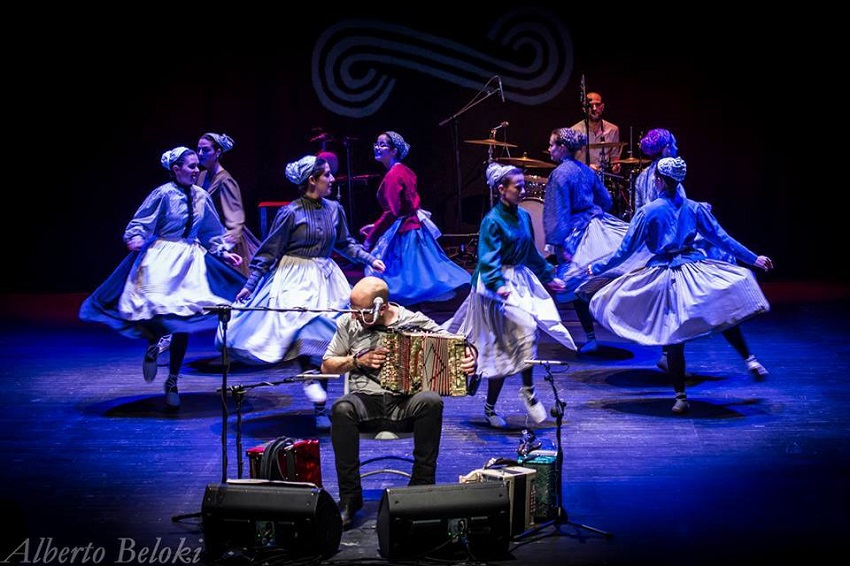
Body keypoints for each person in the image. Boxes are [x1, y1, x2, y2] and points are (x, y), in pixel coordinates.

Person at [583, 157, 774, 414]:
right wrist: (754, 259)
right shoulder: (694, 208)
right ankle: (749, 359)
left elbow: (624, 252)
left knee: (673, 336)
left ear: (659, 181)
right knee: (721, 310)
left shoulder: (649, 211)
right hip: (694, 270)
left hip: (665, 274)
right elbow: (722, 239)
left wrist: (597, 267)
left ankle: (681, 396)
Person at [218, 155, 386, 430]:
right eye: (327, 176)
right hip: (295, 277)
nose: (332, 180)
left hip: (327, 276)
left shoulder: (334, 209)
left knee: (333, 336)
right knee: (301, 330)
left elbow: (345, 243)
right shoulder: (290, 212)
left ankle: (318, 386)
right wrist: (250, 286)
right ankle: (313, 389)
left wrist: (369, 259)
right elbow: (269, 252)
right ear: (312, 179)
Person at [78, 147, 245, 408]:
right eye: (190, 166)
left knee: (184, 320)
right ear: (175, 169)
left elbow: (212, 232)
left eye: (196, 166)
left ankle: (173, 380)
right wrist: (135, 237)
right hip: (161, 259)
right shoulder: (163, 194)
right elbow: (141, 221)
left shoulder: (201, 196)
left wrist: (223, 253)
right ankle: (154, 345)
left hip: (190, 263)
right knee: (157, 312)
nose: (195, 171)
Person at [322, 276, 478, 528]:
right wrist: (356, 361)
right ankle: (350, 498)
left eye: (361, 312)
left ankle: (420, 490)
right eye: (352, 309)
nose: (353, 316)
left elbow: (455, 347)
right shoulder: (348, 325)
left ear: (381, 308)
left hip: (404, 403)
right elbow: (326, 365)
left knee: (431, 401)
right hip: (366, 402)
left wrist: (469, 357)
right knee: (341, 408)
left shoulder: (412, 321)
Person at [443, 163, 576, 429]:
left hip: (518, 280)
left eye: (524, 185)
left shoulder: (524, 216)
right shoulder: (492, 221)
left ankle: (527, 391)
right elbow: (487, 259)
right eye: (519, 187)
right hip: (495, 288)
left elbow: (531, 253)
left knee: (525, 335)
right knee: (501, 349)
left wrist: (550, 276)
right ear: (502, 189)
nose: (523, 190)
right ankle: (494, 407)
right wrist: (498, 284)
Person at [632, 129, 768, 379]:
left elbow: (644, 214)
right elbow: (673, 212)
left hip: (660, 252)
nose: (676, 147)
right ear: (665, 148)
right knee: (715, 299)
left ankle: (674, 369)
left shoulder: (643, 178)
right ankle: (746, 357)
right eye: (673, 144)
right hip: (676, 255)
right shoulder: (662, 177)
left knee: (675, 313)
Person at [543, 127, 649, 354]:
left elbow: (557, 211)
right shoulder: (586, 171)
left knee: (575, 283)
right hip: (596, 225)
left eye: (552, 145)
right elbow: (606, 200)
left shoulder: (559, 175)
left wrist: (557, 241)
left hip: (575, 233)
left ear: (562, 148)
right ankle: (619, 326)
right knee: (595, 278)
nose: (549, 149)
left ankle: (591, 337)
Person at [360, 131, 470, 306]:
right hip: (412, 226)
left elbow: (392, 211)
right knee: (421, 271)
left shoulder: (393, 175)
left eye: (382, 145)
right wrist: (376, 225)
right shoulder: (404, 170)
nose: (377, 147)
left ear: (394, 150)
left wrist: (371, 236)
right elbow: (402, 207)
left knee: (404, 277)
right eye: (376, 144)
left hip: (405, 231)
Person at [197, 132, 261, 278]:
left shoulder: (225, 180)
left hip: (224, 236)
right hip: (206, 235)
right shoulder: (200, 176)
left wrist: (227, 242)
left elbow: (235, 216)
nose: (200, 153)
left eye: (205, 150)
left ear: (218, 152)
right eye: (198, 149)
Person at [571, 91, 623, 170]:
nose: (594, 108)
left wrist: (616, 166)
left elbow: (614, 157)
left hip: (603, 177)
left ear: (602, 107)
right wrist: (585, 166)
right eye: (590, 106)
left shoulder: (613, 130)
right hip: (581, 176)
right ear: (584, 109)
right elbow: (568, 161)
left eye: (597, 105)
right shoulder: (574, 131)